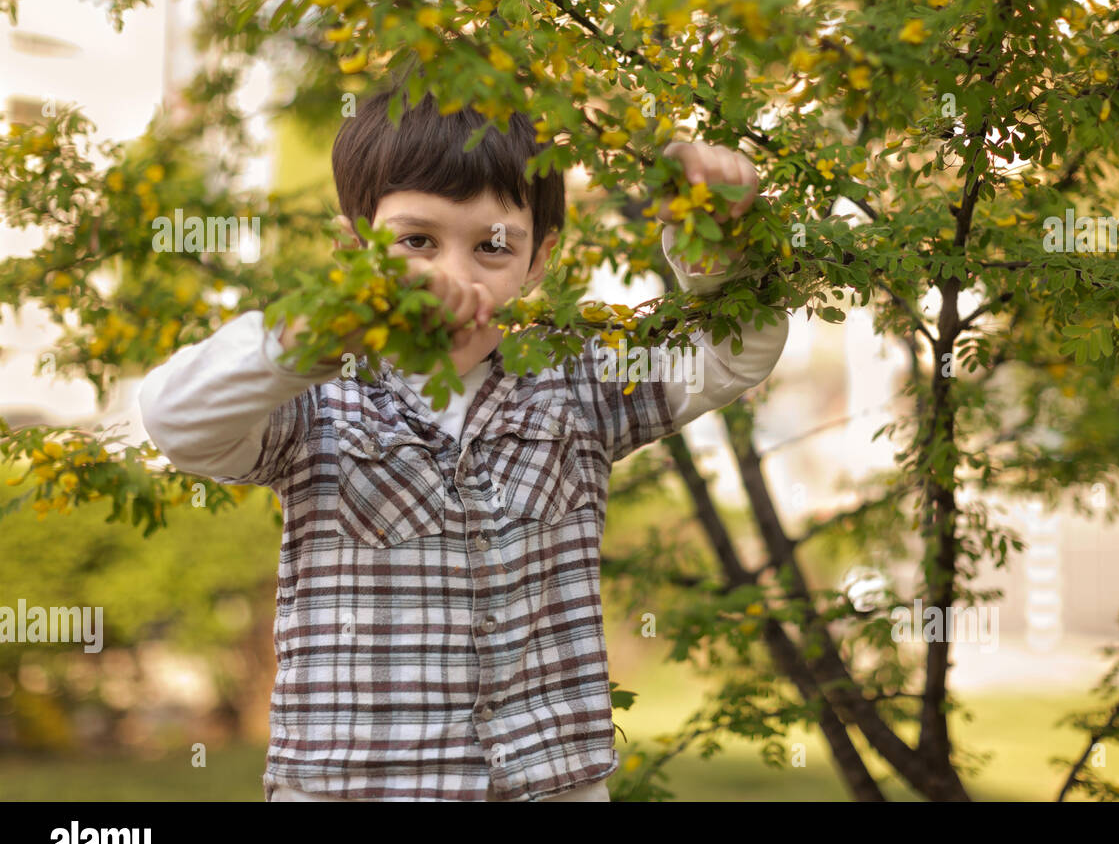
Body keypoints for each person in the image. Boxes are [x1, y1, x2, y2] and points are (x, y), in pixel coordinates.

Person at [137, 89, 788, 801]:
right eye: (417, 241)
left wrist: (715, 240)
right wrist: (304, 335)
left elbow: (731, 354)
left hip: (551, 784)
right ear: (356, 248)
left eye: (492, 246)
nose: (454, 273)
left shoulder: (578, 384)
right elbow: (176, 420)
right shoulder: (315, 399)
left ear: (539, 258)